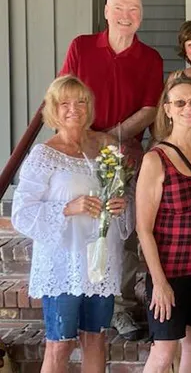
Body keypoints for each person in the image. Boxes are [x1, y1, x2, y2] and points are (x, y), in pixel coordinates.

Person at [60, 0, 163, 340]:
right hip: (79, 150)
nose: (126, 15)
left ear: (141, 15)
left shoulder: (150, 58)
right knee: (86, 225)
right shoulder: (82, 47)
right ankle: (83, 298)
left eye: (134, 9)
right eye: (119, 7)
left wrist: (112, 137)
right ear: (106, 11)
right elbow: (65, 94)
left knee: (122, 228)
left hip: (125, 153)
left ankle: (118, 307)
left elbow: (150, 108)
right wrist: (85, 138)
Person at [12, 76, 130, 372]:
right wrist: (67, 208)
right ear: (53, 109)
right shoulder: (44, 154)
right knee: (60, 343)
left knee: (96, 338)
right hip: (63, 263)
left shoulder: (106, 146)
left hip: (99, 261)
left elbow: (122, 190)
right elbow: (22, 212)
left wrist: (122, 204)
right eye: (64, 103)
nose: (73, 109)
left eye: (81, 101)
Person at [136, 77, 191, 373]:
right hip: (170, 273)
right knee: (163, 352)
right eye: (180, 102)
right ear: (168, 110)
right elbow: (144, 229)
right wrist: (159, 282)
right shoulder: (156, 159)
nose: (189, 108)